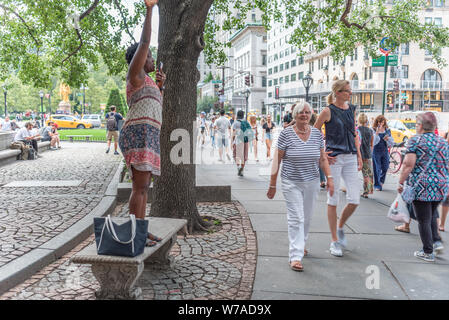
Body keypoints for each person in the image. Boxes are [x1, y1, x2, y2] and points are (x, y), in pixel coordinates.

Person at [118, 0, 165, 247]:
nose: (153, 60)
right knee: (140, 186)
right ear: (141, 58)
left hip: (148, 134)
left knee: (144, 186)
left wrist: (161, 86)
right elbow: (145, 42)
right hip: (138, 134)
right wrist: (150, 10)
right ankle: (135, 234)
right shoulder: (135, 76)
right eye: (150, 57)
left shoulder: (149, 82)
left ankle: (141, 231)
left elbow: (157, 108)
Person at [267, 102, 334, 271]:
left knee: (307, 217)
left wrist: (330, 178)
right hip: (291, 182)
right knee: (296, 217)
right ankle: (295, 256)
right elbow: (277, 160)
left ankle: (300, 243)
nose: (304, 115)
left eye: (307, 112)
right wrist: (272, 184)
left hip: (311, 182)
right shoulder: (286, 134)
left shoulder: (317, 134)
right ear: (294, 115)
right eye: (300, 112)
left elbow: (323, 159)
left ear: (311, 115)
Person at [314, 80, 363, 257]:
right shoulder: (327, 111)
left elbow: (354, 133)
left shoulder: (351, 109)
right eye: (347, 91)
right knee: (332, 199)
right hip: (334, 159)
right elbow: (315, 132)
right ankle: (334, 240)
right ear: (338, 92)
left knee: (355, 199)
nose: (350, 94)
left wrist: (358, 154)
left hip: (350, 157)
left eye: (351, 91)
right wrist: (323, 154)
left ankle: (340, 226)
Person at [397, 112, 448, 262]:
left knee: (423, 219)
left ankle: (427, 251)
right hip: (440, 185)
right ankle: (435, 242)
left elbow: (408, 165)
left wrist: (401, 182)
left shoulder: (415, 141)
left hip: (422, 185)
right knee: (431, 215)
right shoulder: (443, 142)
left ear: (420, 126)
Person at [372, 115, 394, 191]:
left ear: (384, 122)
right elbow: (373, 143)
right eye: (379, 122)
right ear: (377, 122)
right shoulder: (374, 130)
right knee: (377, 168)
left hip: (384, 151)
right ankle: (377, 185)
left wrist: (388, 139)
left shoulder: (387, 130)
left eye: (382, 122)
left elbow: (392, 143)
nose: (380, 124)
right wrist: (377, 134)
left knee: (385, 167)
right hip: (376, 151)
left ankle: (381, 181)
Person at [357, 113, 375, 198]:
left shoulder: (357, 130)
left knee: (352, 172)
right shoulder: (370, 131)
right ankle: (366, 192)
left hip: (358, 154)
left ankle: (350, 188)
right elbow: (372, 144)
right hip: (367, 154)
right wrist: (370, 152)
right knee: (367, 174)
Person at [232, 110, 253, 176]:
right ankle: (242, 169)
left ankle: (238, 168)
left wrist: (233, 142)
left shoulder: (235, 123)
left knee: (236, 155)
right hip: (245, 141)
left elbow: (234, 133)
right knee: (244, 156)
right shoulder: (246, 122)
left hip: (238, 140)